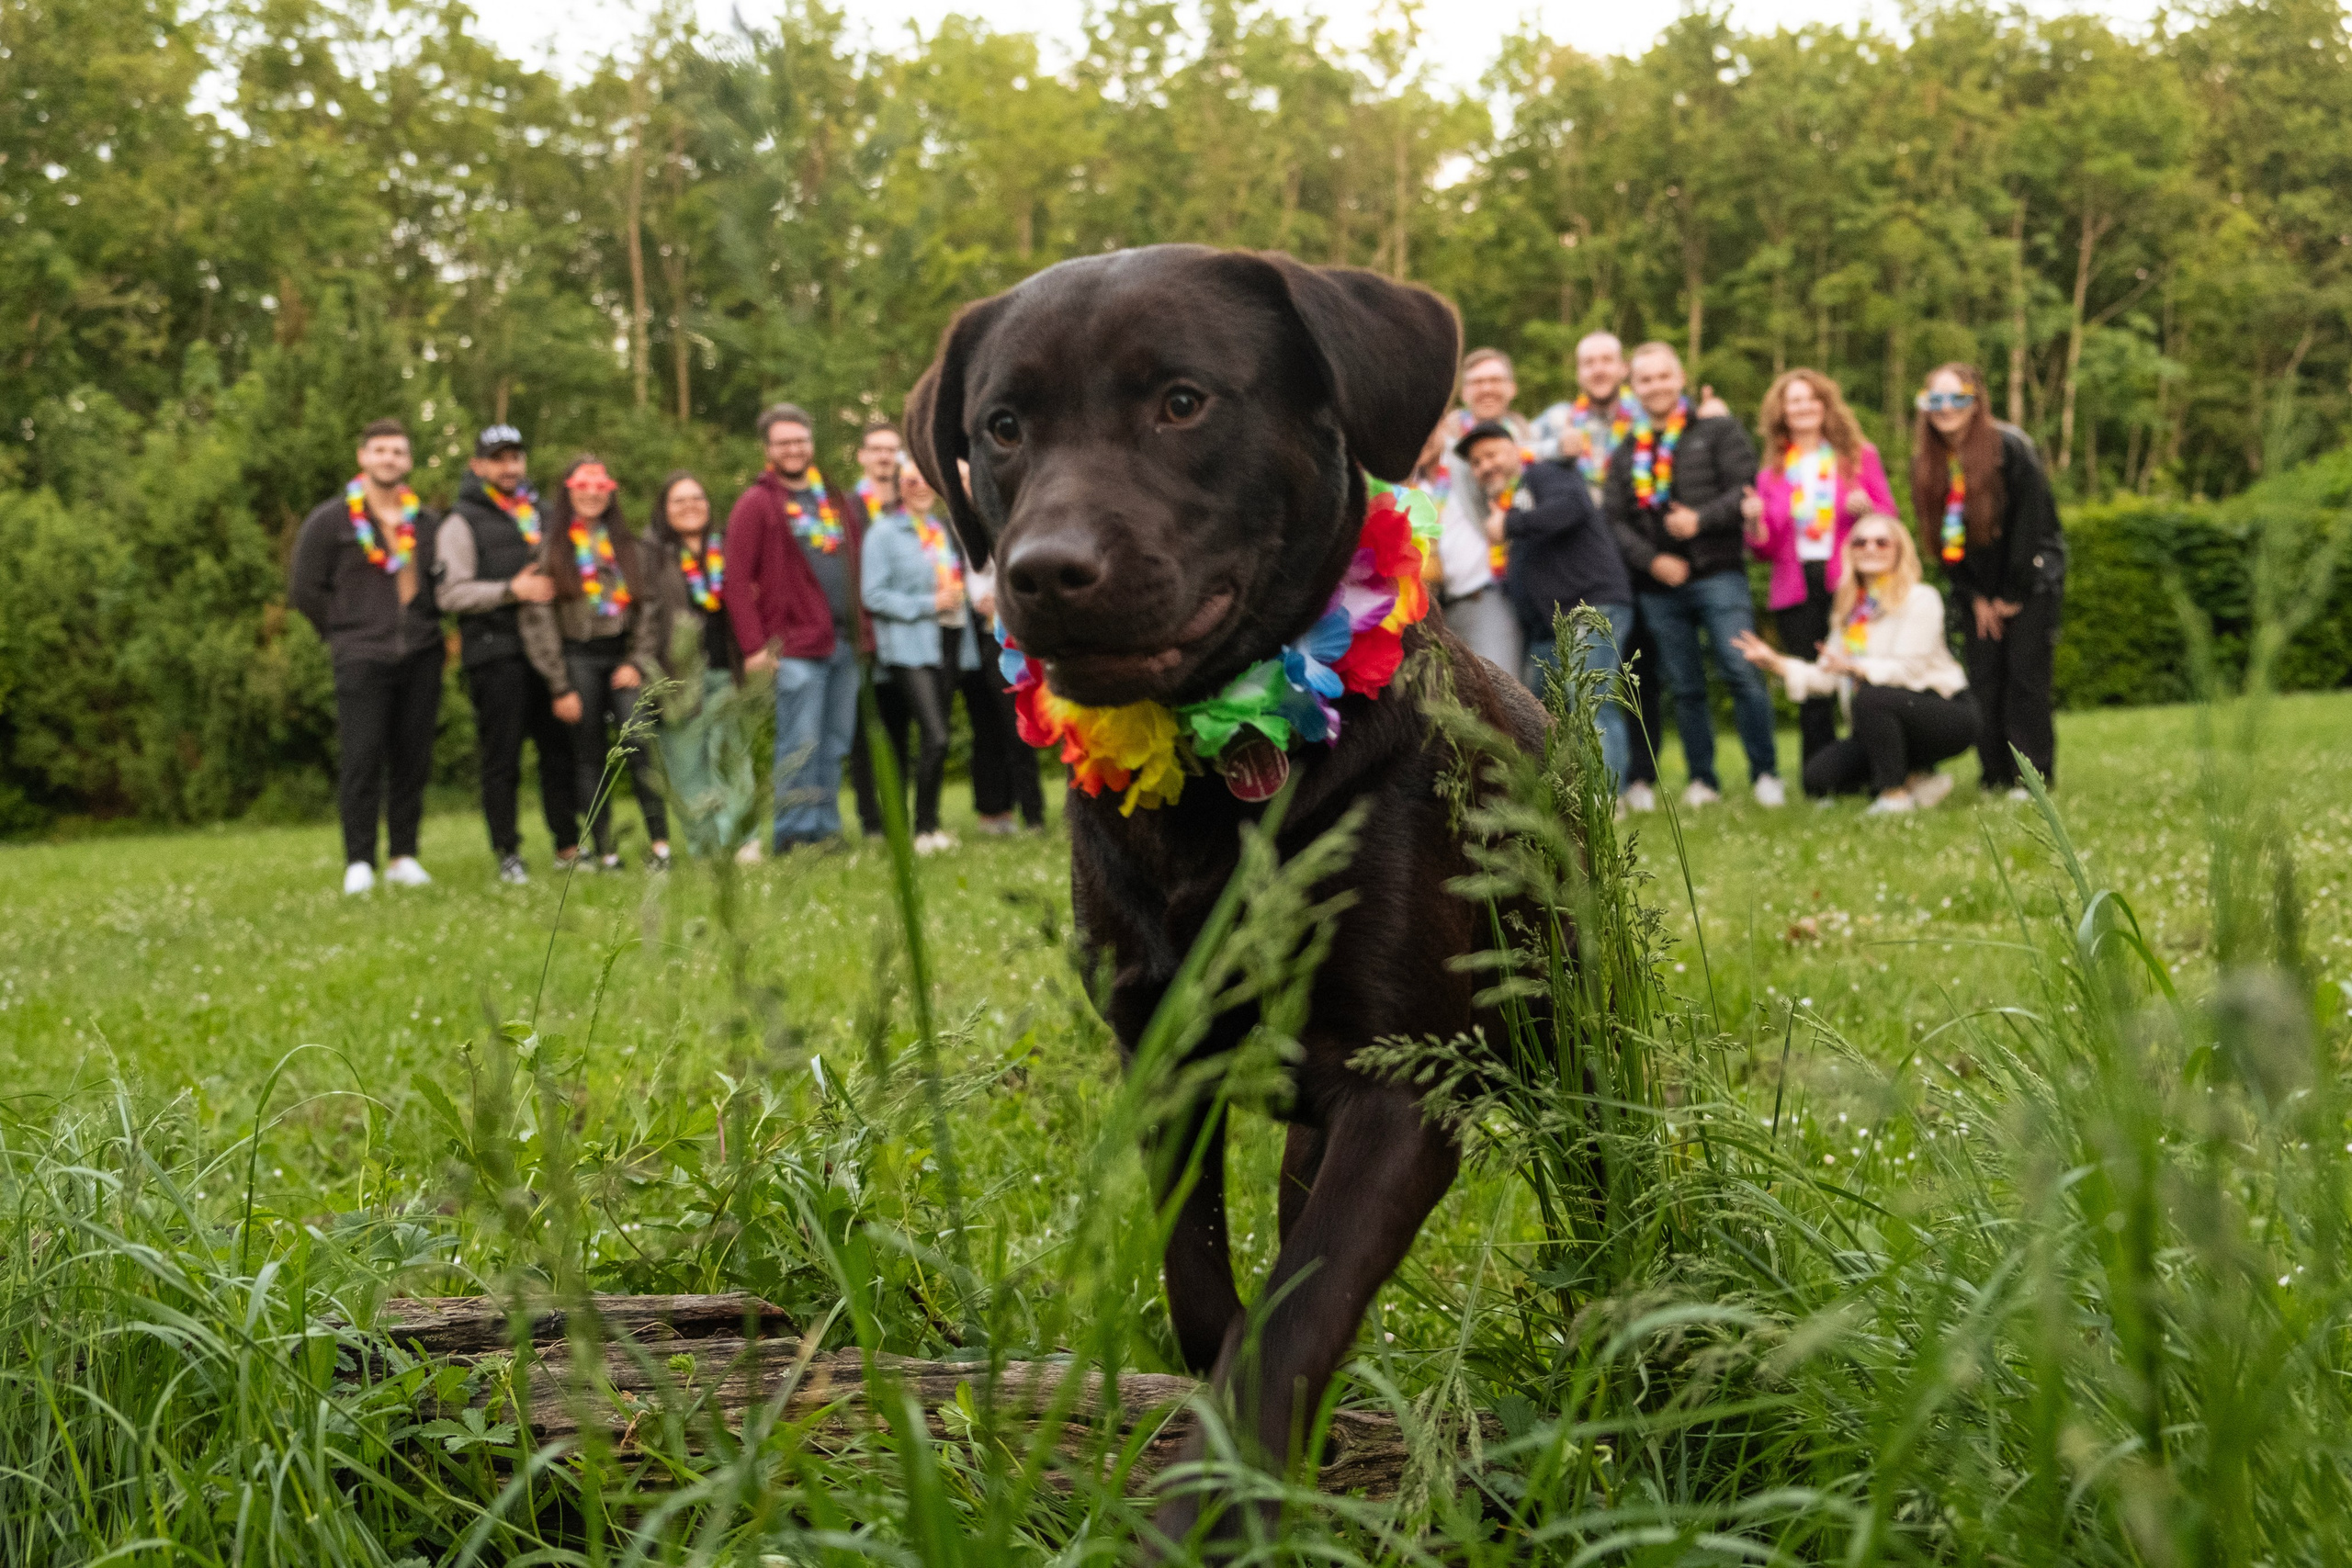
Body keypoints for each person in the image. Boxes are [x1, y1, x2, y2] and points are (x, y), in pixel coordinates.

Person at [1606, 342, 1782, 808]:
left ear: (1680, 378)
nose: (1656, 386)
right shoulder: (1625, 450)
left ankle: (1766, 773)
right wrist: (1653, 562)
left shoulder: (1718, 429)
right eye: (1645, 379)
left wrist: (1700, 520)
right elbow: (1615, 520)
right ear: (1634, 387)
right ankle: (1703, 780)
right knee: (1684, 687)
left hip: (1720, 574)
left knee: (1742, 671)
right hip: (1659, 587)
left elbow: (1746, 489)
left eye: (1663, 376)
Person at [288, 418, 445, 894]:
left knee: (412, 758)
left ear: (409, 462)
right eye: (379, 450)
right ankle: (359, 860)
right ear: (363, 457)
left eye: (398, 452)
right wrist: (343, 633)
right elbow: (305, 589)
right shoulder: (331, 521)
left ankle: (403, 855)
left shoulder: (428, 523)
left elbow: (443, 584)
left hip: (422, 652)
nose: (389, 459)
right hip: (361, 655)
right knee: (362, 756)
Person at [1733, 515, 1976, 814]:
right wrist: (1776, 663)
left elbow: (1907, 671)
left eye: (1881, 542)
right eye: (1860, 542)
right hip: (1878, 720)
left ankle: (1893, 796)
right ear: (1850, 551)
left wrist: (1855, 668)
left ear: (1899, 550)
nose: (1870, 548)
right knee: (1818, 778)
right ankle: (1918, 778)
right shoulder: (1851, 612)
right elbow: (1826, 678)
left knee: (1872, 697)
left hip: (1945, 713)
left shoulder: (1921, 598)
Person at [723, 402, 875, 855]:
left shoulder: (833, 498)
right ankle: (792, 833)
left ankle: (825, 830)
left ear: (811, 444)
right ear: (768, 449)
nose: (794, 448)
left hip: (844, 642)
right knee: (800, 743)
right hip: (792, 647)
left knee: (834, 743)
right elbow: (734, 580)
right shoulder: (757, 503)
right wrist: (753, 647)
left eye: (801, 440)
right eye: (783, 442)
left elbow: (857, 565)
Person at [1530, 331, 1671, 809]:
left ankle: (1641, 779)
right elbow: (1521, 455)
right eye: (1589, 362)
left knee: (1641, 672)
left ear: (1622, 367)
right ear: (1579, 372)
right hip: (1586, 561)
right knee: (1600, 677)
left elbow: (1691, 431)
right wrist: (1557, 449)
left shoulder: (1648, 415)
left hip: (1639, 552)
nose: (1599, 369)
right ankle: (1598, 779)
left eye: (1607, 360)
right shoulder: (1556, 419)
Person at [1909, 363, 2065, 797]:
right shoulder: (1927, 464)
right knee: (1984, 679)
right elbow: (1942, 542)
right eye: (1934, 400)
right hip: (1976, 589)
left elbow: (2033, 522)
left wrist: (2013, 594)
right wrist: (1975, 597)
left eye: (1956, 398)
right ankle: (1994, 773)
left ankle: (2033, 777)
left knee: (2024, 678)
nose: (1946, 409)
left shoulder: (2009, 447)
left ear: (1975, 401)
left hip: (2029, 579)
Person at [435, 424, 580, 884]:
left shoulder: (547, 514)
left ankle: (568, 845)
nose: (509, 466)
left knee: (560, 754)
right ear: (478, 466)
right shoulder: (461, 521)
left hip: (551, 655)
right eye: (498, 458)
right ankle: (508, 853)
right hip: (495, 655)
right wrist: (510, 590)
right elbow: (450, 594)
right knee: (503, 760)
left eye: (515, 457)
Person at [1740, 368, 1898, 781]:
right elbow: (1765, 549)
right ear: (1782, 413)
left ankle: (1882, 770)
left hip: (1850, 581)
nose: (1804, 407)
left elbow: (1890, 521)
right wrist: (1755, 523)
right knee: (1812, 684)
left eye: (1811, 399)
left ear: (1825, 405)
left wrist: (1867, 511)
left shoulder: (1860, 457)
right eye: (1794, 401)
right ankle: (1821, 779)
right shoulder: (1771, 474)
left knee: (1864, 673)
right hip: (1795, 586)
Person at [1457, 421, 1635, 787]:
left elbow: (1568, 509)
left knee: (1588, 701)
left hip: (1590, 606)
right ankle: (1550, 795)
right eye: (1476, 462)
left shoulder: (1545, 473)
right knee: (1532, 710)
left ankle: (1607, 799)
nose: (1485, 466)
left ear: (1514, 449)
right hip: (1549, 627)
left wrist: (1509, 524)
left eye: (1491, 454)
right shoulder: (1515, 498)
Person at [528, 457, 669, 870]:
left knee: (640, 745)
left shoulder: (630, 549)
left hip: (623, 657)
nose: (591, 494)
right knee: (588, 755)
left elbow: (650, 609)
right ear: (569, 491)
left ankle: (660, 844)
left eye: (599, 486)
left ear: (610, 492)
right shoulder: (550, 549)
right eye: (582, 486)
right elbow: (538, 620)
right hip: (576, 659)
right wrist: (559, 684)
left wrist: (638, 660)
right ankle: (604, 849)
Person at [642, 470, 754, 859]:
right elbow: (645, 617)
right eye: (679, 501)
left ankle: (742, 840)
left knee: (732, 757)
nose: (691, 507)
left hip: (727, 667)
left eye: (697, 498)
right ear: (664, 510)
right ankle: (704, 846)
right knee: (686, 766)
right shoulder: (651, 554)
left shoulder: (728, 548)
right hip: (677, 676)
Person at [862, 463, 972, 854]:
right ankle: (919, 829)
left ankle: (928, 825)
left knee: (935, 737)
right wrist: (929, 603)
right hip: (908, 647)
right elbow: (872, 595)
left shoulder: (940, 531)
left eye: (928, 479)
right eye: (911, 480)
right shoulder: (883, 533)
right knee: (936, 736)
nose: (921, 487)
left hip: (949, 640)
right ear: (898, 488)